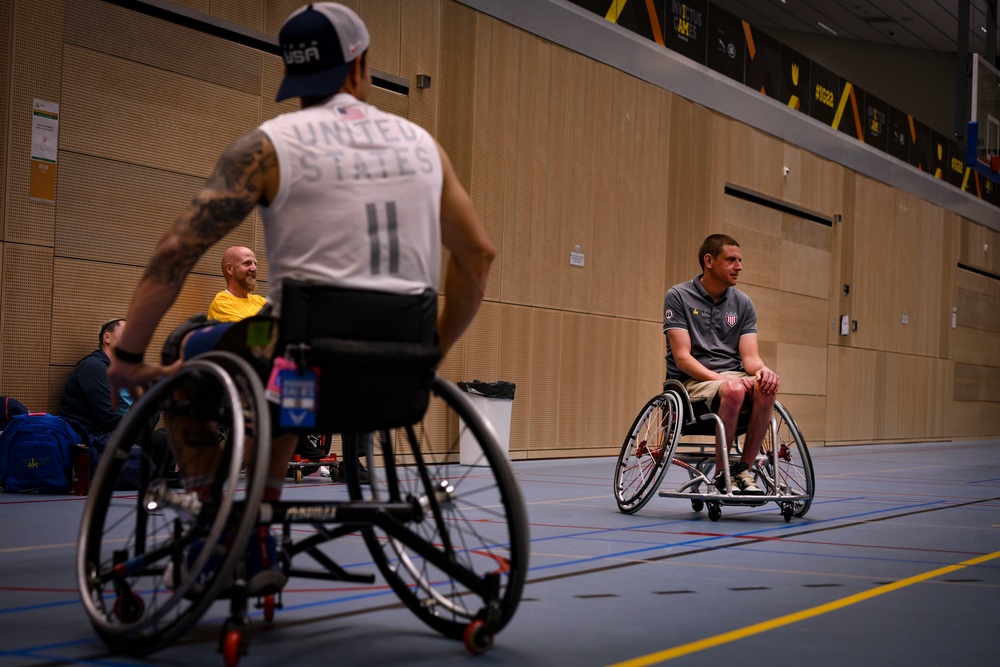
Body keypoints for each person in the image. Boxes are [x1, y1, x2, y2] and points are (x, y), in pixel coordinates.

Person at [107, 3, 494, 594]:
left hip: (297, 355)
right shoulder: (424, 146)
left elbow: (175, 252)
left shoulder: (266, 147)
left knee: (192, 349)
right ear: (360, 65)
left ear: (293, 73)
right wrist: (429, 352)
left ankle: (226, 527)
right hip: (398, 356)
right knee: (275, 350)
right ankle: (260, 504)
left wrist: (129, 354)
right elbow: (479, 256)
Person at [662, 233, 779, 495]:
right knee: (736, 389)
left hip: (733, 377)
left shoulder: (743, 303)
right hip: (693, 382)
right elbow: (682, 358)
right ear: (709, 261)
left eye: (740, 260)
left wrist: (763, 371)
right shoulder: (678, 296)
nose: (739, 266)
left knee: (766, 386)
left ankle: (742, 470)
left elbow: (750, 359)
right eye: (731, 260)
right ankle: (721, 475)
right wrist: (723, 381)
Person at [61, 319, 128, 440]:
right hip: (88, 439)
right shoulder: (94, 366)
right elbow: (109, 419)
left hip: (106, 435)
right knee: (163, 442)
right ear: (107, 338)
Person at [207, 246, 267, 322]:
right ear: (229, 269)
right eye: (247, 263)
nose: (254, 268)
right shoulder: (222, 303)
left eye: (255, 264)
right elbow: (247, 332)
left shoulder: (260, 301)